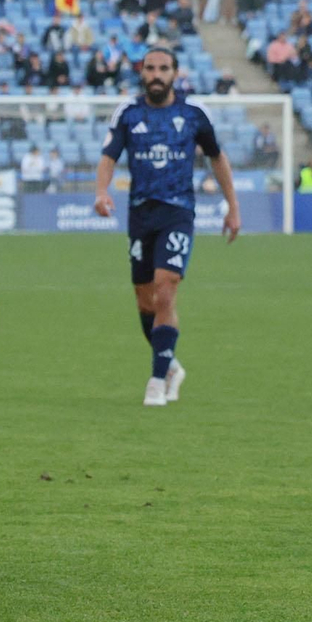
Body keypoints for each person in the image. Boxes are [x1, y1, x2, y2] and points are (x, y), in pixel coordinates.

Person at [95, 47, 241, 407]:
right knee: (146, 300)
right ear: (142, 73)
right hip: (141, 215)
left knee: (165, 289)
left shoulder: (193, 113)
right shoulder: (129, 113)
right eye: (150, 69)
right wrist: (101, 191)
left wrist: (232, 207)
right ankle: (170, 363)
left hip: (178, 212)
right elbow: (109, 157)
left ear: (175, 73)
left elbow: (217, 158)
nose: (156, 74)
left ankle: (157, 380)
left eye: (163, 68)